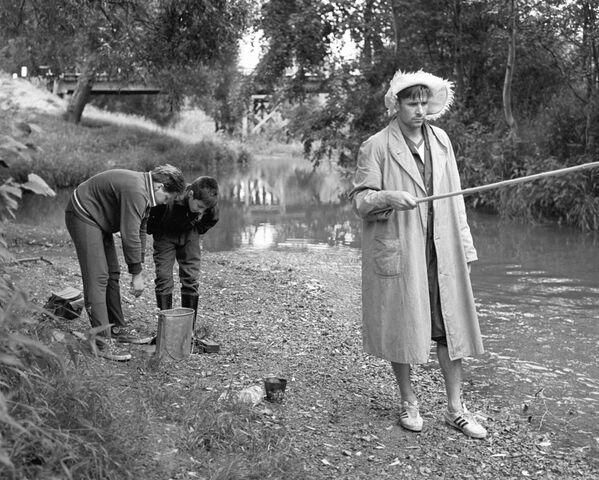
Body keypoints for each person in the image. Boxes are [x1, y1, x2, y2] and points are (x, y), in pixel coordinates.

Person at [350, 69, 487, 439]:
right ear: (396, 105)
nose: (420, 109)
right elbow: (361, 201)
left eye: (424, 102)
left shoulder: (442, 140)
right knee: (402, 324)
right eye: (412, 102)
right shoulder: (376, 145)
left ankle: (455, 408)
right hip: (401, 247)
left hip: (443, 248)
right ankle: (409, 401)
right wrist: (388, 198)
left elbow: (456, 199)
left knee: (450, 326)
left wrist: (467, 249)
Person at [64, 165, 186, 361]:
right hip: (83, 214)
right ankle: (101, 342)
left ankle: (117, 329)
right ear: (160, 187)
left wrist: (139, 267)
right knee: (98, 277)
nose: (166, 203)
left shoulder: (145, 191)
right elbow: (129, 235)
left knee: (112, 273)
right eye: (168, 198)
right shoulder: (137, 191)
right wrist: (136, 273)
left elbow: (140, 230)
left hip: (99, 219)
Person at [147, 176, 219, 332]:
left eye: (204, 209)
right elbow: (151, 216)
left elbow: (212, 219)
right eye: (199, 206)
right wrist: (153, 230)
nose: (201, 211)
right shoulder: (172, 196)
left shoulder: (209, 204)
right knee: (163, 277)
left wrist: (197, 228)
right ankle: (165, 330)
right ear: (191, 194)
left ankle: (188, 331)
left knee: (191, 278)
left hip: (189, 234)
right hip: (165, 234)